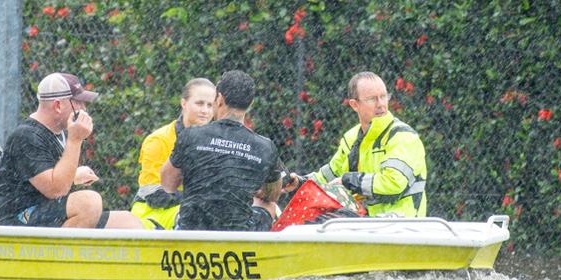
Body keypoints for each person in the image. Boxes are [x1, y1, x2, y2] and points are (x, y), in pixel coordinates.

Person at [0, 72, 141, 229]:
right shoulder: (26, 136)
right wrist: (75, 140)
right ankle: (54, 254)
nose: (84, 108)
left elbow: (49, 176)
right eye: (79, 103)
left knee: (129, 222)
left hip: (43, 212)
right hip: (17, 219)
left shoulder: (57, 132)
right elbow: (56, 190)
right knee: (89, 203)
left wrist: (74, 176)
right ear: (58, 105)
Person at [160, 70, 282, 231]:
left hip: (192, 230)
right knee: (267, 205)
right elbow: (272, 195)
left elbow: (167, 183)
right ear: (250, 103)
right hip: (236, 235)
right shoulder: (265, 147)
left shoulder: (191, 135)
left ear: (219, 99)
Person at [306, 71, 427, 217]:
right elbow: (327, 176)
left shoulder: (403, 136)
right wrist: (299, 183)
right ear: (354, 104)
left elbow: (393, 183)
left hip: (401, 227)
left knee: (330, 224)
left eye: (383, 96)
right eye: (372, 99)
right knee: (316, 222)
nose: (381, 104)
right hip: (367, 224)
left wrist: (349, 181)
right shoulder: (351, 138)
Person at [129, 77, 216, 229]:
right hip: (152, 212)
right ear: (184, 103)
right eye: (199, 103)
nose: (205, 111)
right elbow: (154, 194)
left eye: (210, 105)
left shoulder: (215, 141)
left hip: (191, 208)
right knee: (197, 215)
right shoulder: (158, 140)